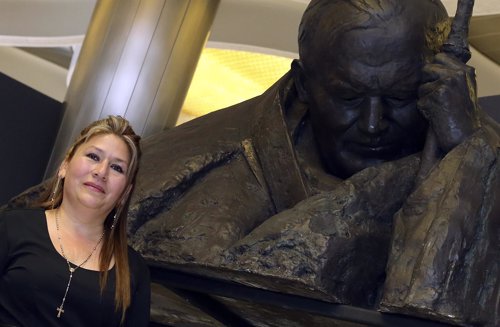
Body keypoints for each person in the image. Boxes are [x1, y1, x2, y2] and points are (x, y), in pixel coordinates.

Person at [0, 115, 150, 327]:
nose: (101, 172)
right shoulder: (11, 227)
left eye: (117, 168)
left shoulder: (134, 271)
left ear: (125, 193)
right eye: (93, 156)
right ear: (64, 166)